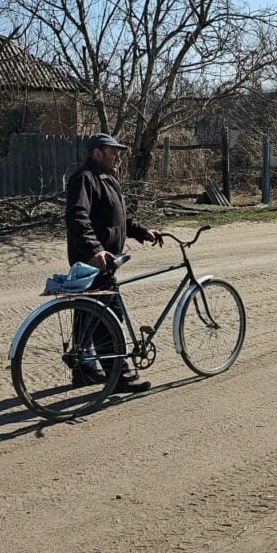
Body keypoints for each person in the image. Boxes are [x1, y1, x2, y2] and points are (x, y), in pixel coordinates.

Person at [66, 133, 162, 392]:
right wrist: (95, 249)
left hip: (105, 260)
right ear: (97, 153)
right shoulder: (85, 178)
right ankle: (118, 375)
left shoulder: (107, 180)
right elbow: (78, 217)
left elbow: (116, 220)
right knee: (108, 315)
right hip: (94, 260)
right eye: (113, 152)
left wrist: (142, 231)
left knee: (88, 316)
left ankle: (83, 370)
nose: (118, 156)